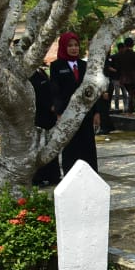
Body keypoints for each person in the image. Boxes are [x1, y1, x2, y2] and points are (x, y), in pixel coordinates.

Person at [49, 32, 98, 174]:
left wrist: (96, 112)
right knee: (71, 146)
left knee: (87, 146)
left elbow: (92, 90)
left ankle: (91, 174)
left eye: (76, 45)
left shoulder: (85, 65)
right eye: (70, 45)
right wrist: (59, 112)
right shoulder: (57, 66)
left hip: (86, 114)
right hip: (68, 114)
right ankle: (71, 175)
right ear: (64, 47)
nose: (74, 48)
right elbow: (55, 91)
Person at [29, 64, 61, 187]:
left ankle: (53, 175)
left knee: (50, 145)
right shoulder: (28, 74)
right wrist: (49, 105)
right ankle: (38, 177)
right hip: (38, 116)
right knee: (38, 147)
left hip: (49, 117)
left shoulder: (40, 71)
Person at [116, 37, 135, 112]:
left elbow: (118, 68)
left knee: (130, 94)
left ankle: (130, 109)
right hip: (134, 78)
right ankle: (131, 109)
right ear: (133, 45)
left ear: (125, 45)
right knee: (133, 94)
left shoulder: (120, 55)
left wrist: (119, 78)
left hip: (124, 79)